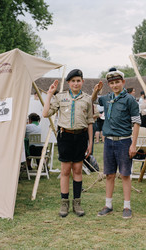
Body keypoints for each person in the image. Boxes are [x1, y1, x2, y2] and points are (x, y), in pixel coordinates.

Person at [43, 69, 93, 218]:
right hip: (65, 136)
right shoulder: (60, 97)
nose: (76, 83)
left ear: (82, 82)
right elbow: (45, 114)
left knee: (77, 170)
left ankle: (77, 203)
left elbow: (90, 121)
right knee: (65, 171)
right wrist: (49, 94)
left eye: (78, 80)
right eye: (73, 81)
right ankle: (64, 202)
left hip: (81, 136)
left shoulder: (87, 99)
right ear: (69, 83)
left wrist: (91, 142)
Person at [92, 67, 140, 219]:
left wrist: (133, 145)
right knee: (109, 174)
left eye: (117, 82)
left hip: (124, 141)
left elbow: (137, 123)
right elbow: (93, 100)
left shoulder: (130, 99)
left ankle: (127, 206)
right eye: (112, 83)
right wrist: (96, 90)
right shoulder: (106, 98)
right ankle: (108, 205)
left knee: (125, 175)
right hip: (108, 142)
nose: (115, 85)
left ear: (123, 82)